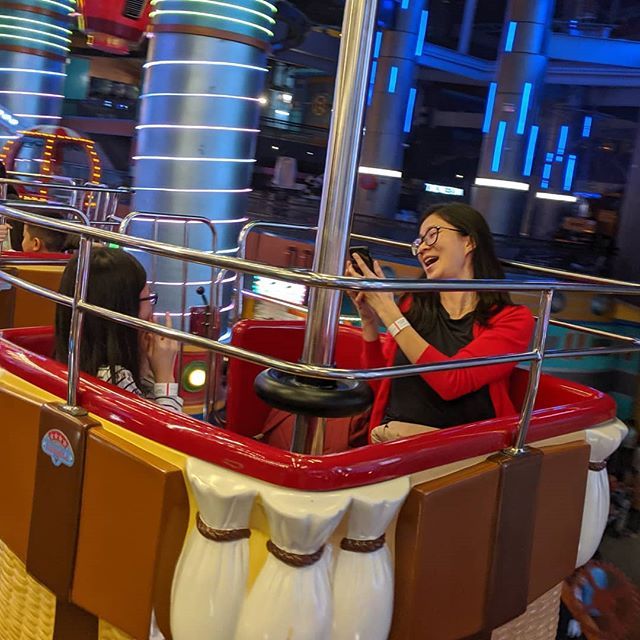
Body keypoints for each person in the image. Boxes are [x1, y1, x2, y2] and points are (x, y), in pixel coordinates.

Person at [345, 203, 535, 443]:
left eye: (432, 235)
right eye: (419, 242)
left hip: (463, 449)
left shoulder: (513, 319)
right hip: (392, 439)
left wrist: (387, 310)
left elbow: (452, 382)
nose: (422, 248)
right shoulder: (413, 305)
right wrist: (369, 317)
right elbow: (379, 382)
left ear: (469, 241)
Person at [55, 247, 183, 412]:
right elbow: (165, 427)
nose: (152, 312)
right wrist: (165, 376)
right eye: (148, 298)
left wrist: (145, 362)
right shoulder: (115, 379)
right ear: (124, 309)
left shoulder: (79, 360)